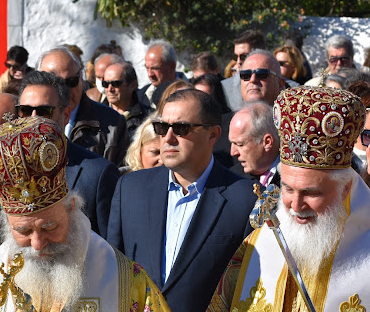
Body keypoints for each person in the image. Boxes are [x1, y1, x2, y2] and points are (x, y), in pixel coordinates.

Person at [0, 116, 170, 312]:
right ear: (5, 223)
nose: (37, 244)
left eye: (49, 227)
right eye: (22, 231)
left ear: (72, 209)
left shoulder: (127, 284)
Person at [209, 86, 369, 311]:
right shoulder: (257, 244)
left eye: (311, 193)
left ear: (345, 190)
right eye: (288, 189)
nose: (295, 206)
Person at [107, 89, 258, 312]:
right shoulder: (130, 188)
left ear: (213, 135)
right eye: (161, 127)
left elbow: (251, 288)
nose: (167, 138)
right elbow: (113, 271)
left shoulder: (246, 198)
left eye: (181, 128)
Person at [16, 70, 120, 238]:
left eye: (44, 111)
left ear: (65, 115)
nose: (34, 120)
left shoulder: (98, 174)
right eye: (26, 111)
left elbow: (110, 247)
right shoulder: (4, 168)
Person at [38, 46, 129, 166]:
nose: (64, 90)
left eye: (71, 82)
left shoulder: (113, 124)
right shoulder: (27, 120)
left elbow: (119, 176)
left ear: (81, 78)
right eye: (56, 83)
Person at [229, 101, 280, 187]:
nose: (233, 152)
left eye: (240, 144)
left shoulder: (294, 177)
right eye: (232, 143)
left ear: (267, 142)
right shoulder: (231, 179)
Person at [102, 61, 150, 140]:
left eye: (116, 83)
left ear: (132, 85)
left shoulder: (148, 118)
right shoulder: (94, 117)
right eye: (105, 84)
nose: (109, 89)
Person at [221, 30, 266, 112]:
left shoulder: (286, 86)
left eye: (243, 56)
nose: (238, 61)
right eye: (235, 57)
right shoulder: (223, 88)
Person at [138, 40, 179, 110]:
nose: (150, 74)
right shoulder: (141, 96)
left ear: (172, 67)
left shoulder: (192, 93)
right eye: (147, 68)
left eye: (155, 68)